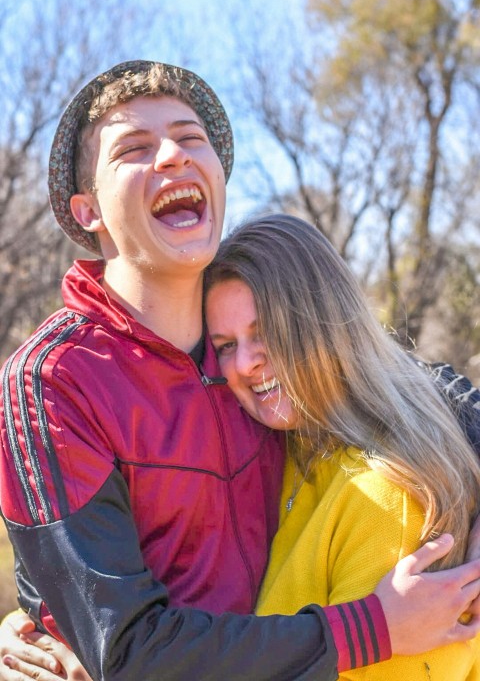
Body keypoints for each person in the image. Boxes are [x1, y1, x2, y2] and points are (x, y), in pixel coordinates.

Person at [1, 61, 480, 681]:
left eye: (190, 137)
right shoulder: (52, 381)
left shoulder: (253, 351)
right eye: (134, 148)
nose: (173, 154)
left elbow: (417, 390)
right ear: (87, 209)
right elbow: (124, 652)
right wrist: (373, 628)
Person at [204, 212, 480, 678]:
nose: (247, 363)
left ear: (324, 322)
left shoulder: (388, 498)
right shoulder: (282, 450)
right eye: (226, 345)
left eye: (265, 331)